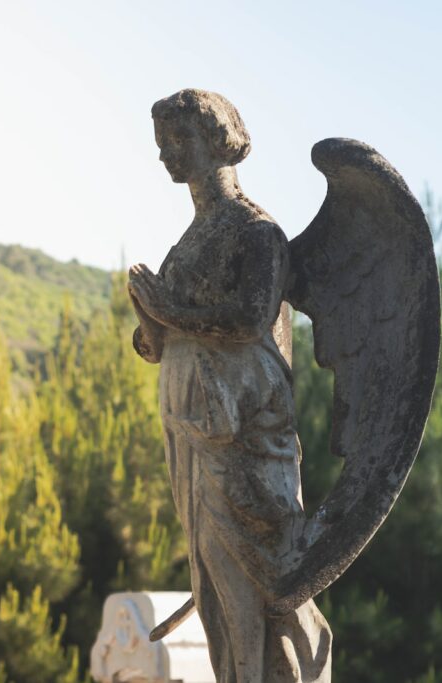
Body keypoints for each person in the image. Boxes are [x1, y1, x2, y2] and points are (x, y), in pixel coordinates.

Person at [128, 89, 332, 682]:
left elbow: (247, 320)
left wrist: (167, 307)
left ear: (218, 141)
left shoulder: (254, 231)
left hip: (242, 437)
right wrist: (148, 318)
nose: (169, 154)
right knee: (215, 586)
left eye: (180, 139)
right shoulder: (188, 243)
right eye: (162, 143)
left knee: (270, 583)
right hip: (193, 432)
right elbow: (159, 342)